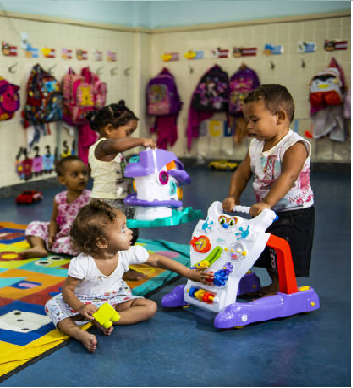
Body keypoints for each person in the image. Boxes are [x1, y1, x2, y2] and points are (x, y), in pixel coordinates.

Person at [44, 201, 210, 353]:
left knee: (150, 307)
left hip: (115, 300)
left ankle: (108, 320)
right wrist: (80, 307)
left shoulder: (126, 254)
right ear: (102, 242)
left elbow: (158, 260)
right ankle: (79, 334)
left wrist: (189, 273)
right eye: (123, 229)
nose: (130, 232)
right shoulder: (82, 263)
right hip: (86, 304)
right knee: (54, 307)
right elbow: (68, 290)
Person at [222, 84, 315, 297]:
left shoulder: (295, 145)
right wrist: (233, 196)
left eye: (254, 120)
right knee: (267, 249)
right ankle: (275, 284)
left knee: (285, 252)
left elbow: (289, 176)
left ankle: (281, 287)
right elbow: (242, 173)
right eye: (247, 120)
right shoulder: (256, 145)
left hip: (294, 212)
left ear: (280, 117)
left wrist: (267, 203)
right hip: (268, 211)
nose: (249, 126)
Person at [87, 100, 156, 280]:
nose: (130, 137)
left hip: (122, 200)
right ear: (109, 129)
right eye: (128, 133)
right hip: (106, 202)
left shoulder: (113, 151)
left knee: (130, 233)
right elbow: (116, 145)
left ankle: (123, 261)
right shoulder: (103, 146)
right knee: (114, 237)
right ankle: (118, 268)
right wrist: (141, 141)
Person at [22, 155, 91, 258]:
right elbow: (54, 220)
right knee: (35, 225)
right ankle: (39, 247)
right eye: (75, 174)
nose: (82, 177)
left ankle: (56, 246)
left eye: (84, 173)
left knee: (79, 243)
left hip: (78, 235)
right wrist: (51, 235)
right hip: (61, 232)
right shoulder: (59, 198)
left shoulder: (90, 197)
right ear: (62, 180)